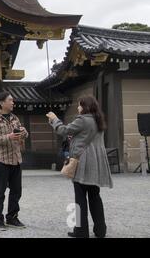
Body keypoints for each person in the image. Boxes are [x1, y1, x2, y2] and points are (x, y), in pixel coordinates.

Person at [46, 95, 113, 238]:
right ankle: (100, 230)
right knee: (95, 196)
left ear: (85, 106)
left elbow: (63, 130)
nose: (78, 107)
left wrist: (54, 119)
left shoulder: (82, 120)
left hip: (83, 161)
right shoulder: (98, 119)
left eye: (79, 105)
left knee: (80, 197)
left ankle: (81, 232)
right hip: (96, 161)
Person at [0, 91, 28, 229]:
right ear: (1, 103)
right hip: (2, 161)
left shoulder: (15, 118)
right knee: (0, 192)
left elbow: (23, 135)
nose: (13, 102)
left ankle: (12, 217)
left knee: (16, 191)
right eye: (10, 100)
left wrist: (23, 132)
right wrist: (8, 137)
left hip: (16, 159)